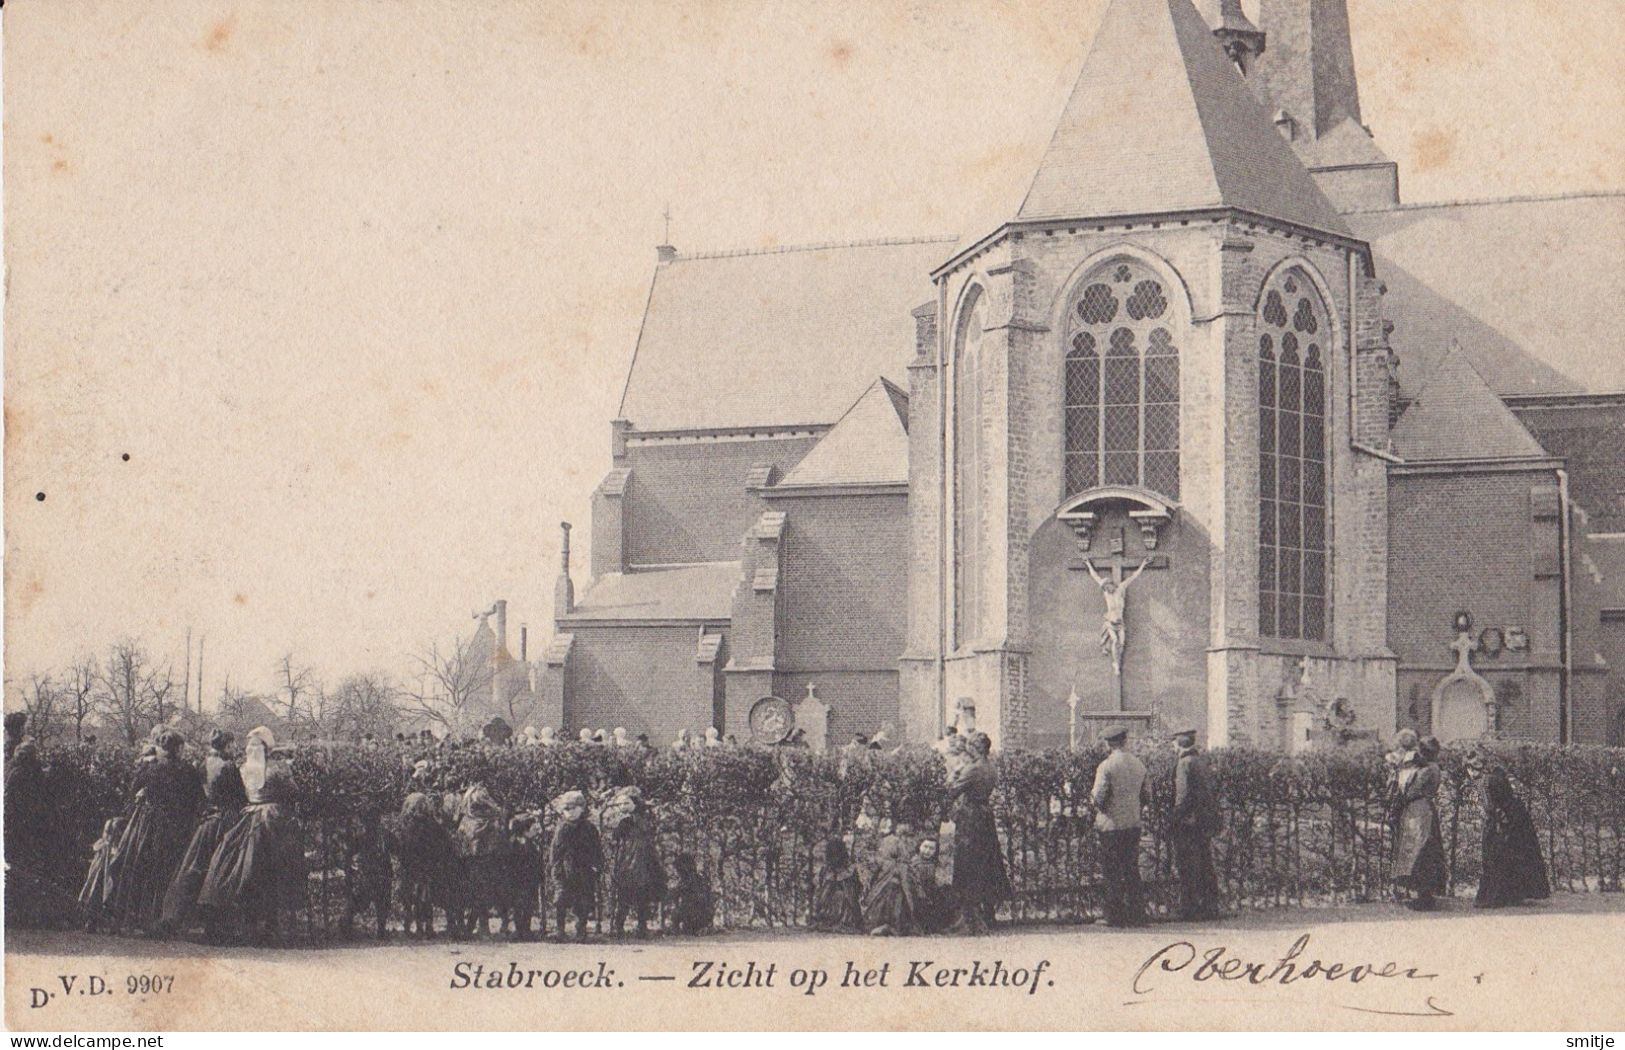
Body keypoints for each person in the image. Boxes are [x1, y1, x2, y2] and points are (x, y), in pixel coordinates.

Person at [197, 727, 305, 944]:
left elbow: (241, 794)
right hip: (274, 819)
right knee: (276, 867)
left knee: (234, 861)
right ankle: (271, 924)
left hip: (248, 817)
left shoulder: (244, 769)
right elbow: (294, 792)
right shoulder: (278, 769)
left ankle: (249, 922)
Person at [104, 730, 204, 934]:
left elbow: (133, 793)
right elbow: (198, 799)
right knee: (170, 871)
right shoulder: (188, 771)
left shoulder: (151, 770)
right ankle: (164, 919)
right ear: (178, 749)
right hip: (177, 825)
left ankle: (140, 918)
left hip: (150, 826)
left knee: (146, 869)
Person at [161, 729, 248, 939]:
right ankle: (219, 926)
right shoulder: (229, 767)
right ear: (226, 746)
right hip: (228, 821)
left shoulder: (202, 765)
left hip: (208, 821)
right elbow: (240, 797)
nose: (235, 748)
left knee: (195, 870)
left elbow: (198, 794)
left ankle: (179, 920)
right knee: (225, 871)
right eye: (232, 744)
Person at [1467, 747, 1550, 908]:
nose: (1470, 772)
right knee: (1508, 854)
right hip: (1513, 817)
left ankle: (1496, 897)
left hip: (1509, 819)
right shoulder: (1491, 777)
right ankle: (1509, 895)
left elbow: (1495, 806)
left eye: (1472, 768)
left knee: (1497, 854)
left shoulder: (1487, 781)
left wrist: (1501, 825)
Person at [947, 731, 1011, 933]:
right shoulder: (991, 768)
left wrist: (954, 774)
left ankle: (970, 916)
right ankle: (988, 913)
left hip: (971, 818)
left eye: (971, 748)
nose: (969, 751)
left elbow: (952, 791)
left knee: (968, 863)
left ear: (977, 749)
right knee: (988, 862)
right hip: (986, 817)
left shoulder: (973, 769)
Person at [1091, 724, 1149, 927]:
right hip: (1133, 822)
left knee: (1112, 871)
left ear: (1108, 743)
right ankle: (1137, 914)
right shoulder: (1139, 765)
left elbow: (1097, 797)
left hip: (1111, 825)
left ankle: (1114, 915)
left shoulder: (1106, 766)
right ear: (1124, 741)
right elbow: (1146, 796)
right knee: (1131, 869)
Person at [1168, 727, 1221, 921]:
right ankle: (1210, 906)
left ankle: (1189, 908)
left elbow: (1182, 796)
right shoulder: (1201, 761)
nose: (1173, 746)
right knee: (1205, 864)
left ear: (1179, 744)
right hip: (1204, 820)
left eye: (1174, 742)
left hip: (1189, 822)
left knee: (1188, 865)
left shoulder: (1184, 764)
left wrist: (1174, 818)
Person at [1389, 734, 1447, 911]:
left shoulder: (1430, 769)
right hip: (1415, 811)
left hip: (1420, 811)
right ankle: (1416, 892)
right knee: (1413, 851)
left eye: (1422, 751)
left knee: (1422, 851)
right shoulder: (1424, 767)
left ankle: (1424, 895)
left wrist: (1401, 795)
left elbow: (1413, 790)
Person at [607, 786, 664, 938]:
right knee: (627, 896)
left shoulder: (640, 820)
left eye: (626, 803)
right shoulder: (626, 822)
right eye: (621, 804)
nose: (623, 807)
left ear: (635, 804)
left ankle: (636, 928)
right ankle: (622, 927)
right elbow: (615, 840)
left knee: (638, 896)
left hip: (640, 861)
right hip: (629, 861)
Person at [549, 790, 602, 942]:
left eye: (574, 809)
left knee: (583, 900)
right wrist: (556, 868)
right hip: (565, 869)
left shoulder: (589, 828)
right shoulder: (562, 829)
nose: (570, 813)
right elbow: (555, 851)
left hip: (584, 870)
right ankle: (560, 930)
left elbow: (596, 849)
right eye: (566, 809)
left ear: (582, 808)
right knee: (561, 899)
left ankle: (581, 930)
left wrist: (596, 866)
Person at [78, 815, 127, 933]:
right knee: (95, 891)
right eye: (107, 832)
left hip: (110, 872)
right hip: (100, 870)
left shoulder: (119, 849)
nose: (110, 835)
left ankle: (111, 924)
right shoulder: (104, 846)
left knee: (110, 894)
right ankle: (91, 921)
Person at [862, 834, 916, 936]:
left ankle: (887, 926)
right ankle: (887, 926)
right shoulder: (899, 865)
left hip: (892, 892)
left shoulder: (898, 865)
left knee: (893, 900)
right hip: (885, 890)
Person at [811, 837, 864, 932]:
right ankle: (831, 920)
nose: (835, 858)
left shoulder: (849, 870)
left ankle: (837, 921)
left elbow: (855, 890)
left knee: (841, 897)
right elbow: (822, 889)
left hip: (845, 905)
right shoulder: (827, 870)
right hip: (832, 903)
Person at [667, 852, 715, 934]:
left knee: (676, 912)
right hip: (700, 914)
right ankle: (700, 927)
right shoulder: (699, 879)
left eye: (679, 869)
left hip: (695, 913)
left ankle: (678, 928)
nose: (678, 871)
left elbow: (676, 894)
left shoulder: (689, 880)